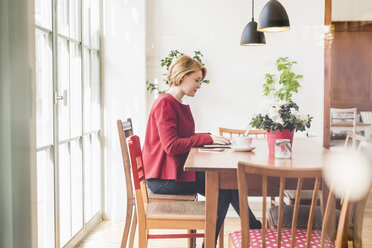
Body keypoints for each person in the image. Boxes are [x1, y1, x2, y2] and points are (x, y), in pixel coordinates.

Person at [142, 55, 261, 246]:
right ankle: (251, 229)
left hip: (172, 173)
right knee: (222, 187)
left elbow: (180, 138)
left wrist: (209, 138)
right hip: (162, 180)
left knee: (225, 184)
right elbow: (171, 146)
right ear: (182, 76)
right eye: (196, 80)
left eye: (200, 81)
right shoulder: (165, 103)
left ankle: (253, 227)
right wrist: (208, 138)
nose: (199, 85)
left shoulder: (174, 103)